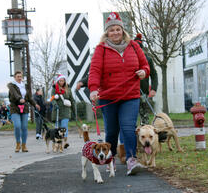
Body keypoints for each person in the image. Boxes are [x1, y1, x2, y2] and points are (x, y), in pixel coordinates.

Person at [88, 12, 150, 175]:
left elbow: (145, 64)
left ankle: (131, 159)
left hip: (130, 95)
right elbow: (94, 70)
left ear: (123, 31)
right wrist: (93, 88)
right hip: (108, 96)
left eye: (118, 29)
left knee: (128, 127)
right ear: (107, 33)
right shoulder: (101, 49)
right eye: (112, 30)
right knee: (112, 130)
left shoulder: (134, 46)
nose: (115, 32)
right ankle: (111, 159)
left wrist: (144, 71)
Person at [7, 71, 40, 152]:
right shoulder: (11, 86)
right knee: (17, 126)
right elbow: (14, 94)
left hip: (24, 108)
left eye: (20, 76)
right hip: (15, 108)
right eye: (18, 76)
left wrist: (35, 104)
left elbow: (29, 97)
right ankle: (18, 143)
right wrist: (19, 98)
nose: (19, 78)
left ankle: (24, 145)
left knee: (24, 127)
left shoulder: (25, 86)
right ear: (14, 77)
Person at [134, 33, 158, 125]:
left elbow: (154, 75)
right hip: (130, 94)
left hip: (143, 93)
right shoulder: (128, 59)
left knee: (145, 118)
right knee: (131, 120)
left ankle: (146, 135)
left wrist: (153, 88)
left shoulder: (148, 59)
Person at [51, 74, 75, 149]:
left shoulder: (68, 89)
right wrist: (55, 104)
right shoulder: (54, 88)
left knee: (64, 127)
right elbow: (52, 98)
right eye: (60, 81)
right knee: (57, 128)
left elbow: (71, 99)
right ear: (58, 81)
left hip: (66, 110)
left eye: (63, 80)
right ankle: (56, 143)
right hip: (57, 110)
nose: (61, 82)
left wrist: (74, 110)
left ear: (64, 81)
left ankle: (64, 142)